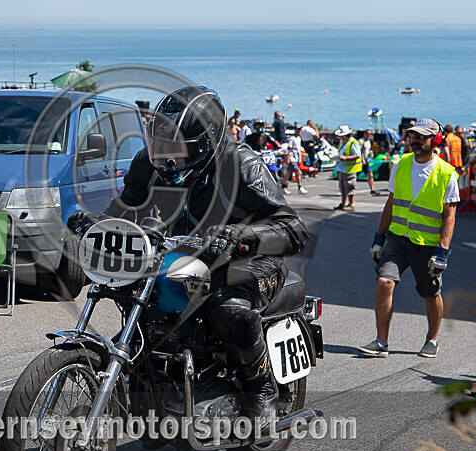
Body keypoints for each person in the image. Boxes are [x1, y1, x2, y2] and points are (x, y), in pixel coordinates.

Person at [68, 86, 309, 420]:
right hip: (180, 257)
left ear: (206, 144)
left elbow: (293, 228)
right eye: (160, 145)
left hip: (247, 259)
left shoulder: (241, 164)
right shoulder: (147, 164)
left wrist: (243, 236)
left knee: (229, 309)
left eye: (176, 148)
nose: (167, 156)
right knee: (137, 298)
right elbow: (125, 210)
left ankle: (260, 387)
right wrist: (98, 223)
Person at [360, 118, 459, 359]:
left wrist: (442, 252)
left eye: (421, 137)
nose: (415, 140)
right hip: (398, 238)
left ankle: (432, 339)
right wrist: (378, 238)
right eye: (412, 136)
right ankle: (381, 341)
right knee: (384, 281)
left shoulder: (447, 174)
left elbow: (449, 216)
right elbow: (391, 203)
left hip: (427, 245)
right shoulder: (401, 164)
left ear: (434, 140)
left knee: (430, 293)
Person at [333, 125, 361, 211]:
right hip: (342, 168)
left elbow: (357, 155)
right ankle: (343, 203)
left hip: (350, 169)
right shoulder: (343, 143)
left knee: (350, 187)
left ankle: (351, 204)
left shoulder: (353, 143)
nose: (340, 138)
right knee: (343, 188)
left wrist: (346, 158)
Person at [281, 129, 308, 194]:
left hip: (296, 158)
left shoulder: (299, 138)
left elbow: (298, 149)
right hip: (292, 158)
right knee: (299, 172)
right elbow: (289, 149)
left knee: (288, 173)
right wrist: (287, 158)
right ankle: (299, 187)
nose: (299, 131)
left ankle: (283, 186)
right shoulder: (292, 139)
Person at [360, 129, 377, 195]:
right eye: (367, 133)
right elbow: (358, 152)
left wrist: (370, 153)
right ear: (364, 134)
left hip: (366, 161)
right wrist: (360, 161)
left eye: (370, 134)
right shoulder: (361, 141)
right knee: (354, 176)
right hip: (360, 162)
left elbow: (368, 150)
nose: (369, 135)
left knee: (370, 175)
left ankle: (372, 190)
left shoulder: (369, 142)